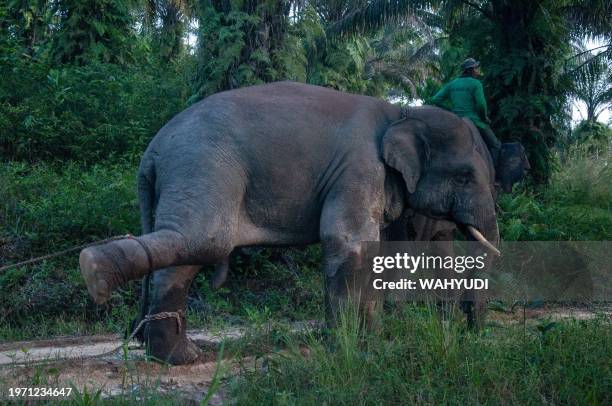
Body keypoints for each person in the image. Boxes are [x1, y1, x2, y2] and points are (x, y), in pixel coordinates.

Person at [430, 58, 501, 165]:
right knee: (496, 145)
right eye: (476, 67)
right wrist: (484, 118)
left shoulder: (453, 83)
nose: (478, 69)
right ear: (471, 70)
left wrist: (451, 110)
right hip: (475, 121)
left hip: (456, 120)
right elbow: (481, 105)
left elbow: (435, 99)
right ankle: (496, 175)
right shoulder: (476, 83)